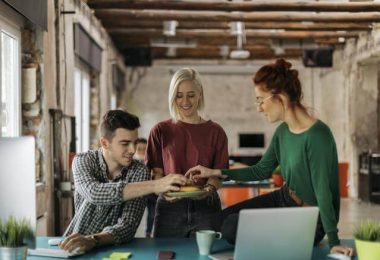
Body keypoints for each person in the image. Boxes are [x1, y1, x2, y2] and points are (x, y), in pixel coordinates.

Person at [186, 59, 354, 256]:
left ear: (279, 98)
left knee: (231, 227)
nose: (258, 108)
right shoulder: (283, 132)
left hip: (309, 218)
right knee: (213, 223)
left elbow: (324, 193)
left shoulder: (318, 136)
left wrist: (333, 240)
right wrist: (215, 172)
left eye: (260, 100)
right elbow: (261, 170)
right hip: (283, 198)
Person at [60, 110, 188, 253]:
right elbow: (95, 193)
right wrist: (155, 185)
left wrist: (93, 240)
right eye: (125, 143)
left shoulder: (139, 171)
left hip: (117, 251)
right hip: (74, 247)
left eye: (134, 142)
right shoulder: (82, 161)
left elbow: (127, 226)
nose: (133, 150)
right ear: (104, 143)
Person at [146, 67, 229, 238]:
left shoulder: (216, 131)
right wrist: (163, 190)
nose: (185, 101)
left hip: (207, 207)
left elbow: (219, 174)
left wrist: (208, 190)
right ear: (172, 96)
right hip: (169, 209)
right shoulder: (160, 131)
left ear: (200, 94)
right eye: (179, 95)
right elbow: (156, 174)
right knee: (167, 255)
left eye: (191, 95)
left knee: (208, 255)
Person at [133, 137, 157, 238]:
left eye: (145, 149)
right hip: (136, 194)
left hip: (151, 194)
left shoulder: (152, 163)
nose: (142, 152)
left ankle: (148, 233)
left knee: (152, 214)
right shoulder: (131, 163)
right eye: (139, 149)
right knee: (132, 216)